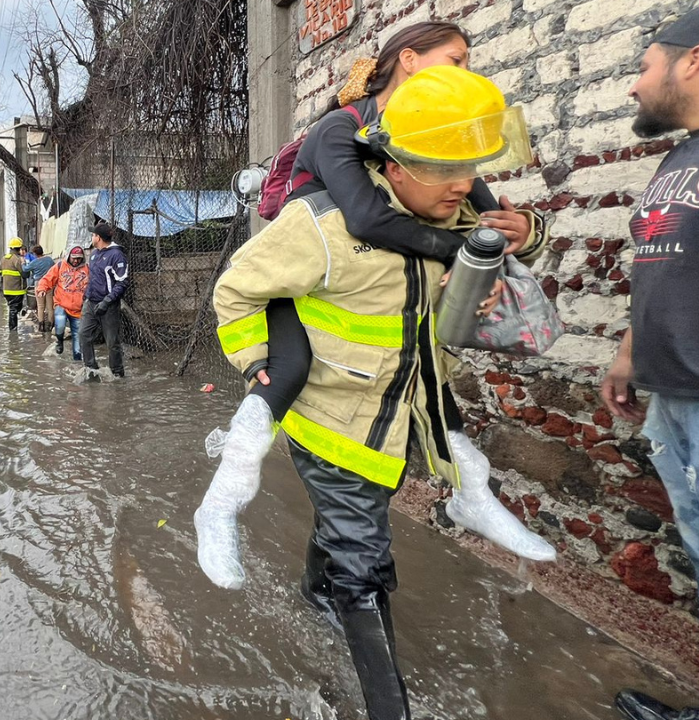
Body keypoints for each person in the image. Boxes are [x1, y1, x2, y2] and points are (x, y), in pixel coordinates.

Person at [200, 67, 546, 720]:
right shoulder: (322, 224)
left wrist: (527, 238)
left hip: (397, 419)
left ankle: (312, 592)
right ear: (392, 158)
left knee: (351, 524)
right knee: (365, 568)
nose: (460, 184)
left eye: (468, 168)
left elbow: (511, 250)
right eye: (441, 167)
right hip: (330, 422)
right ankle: (389, 705)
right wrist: (257, 367)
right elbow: (236, 289)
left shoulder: (454, 211)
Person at [203, 21, 555, 567]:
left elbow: (480, 219)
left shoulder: (436, 136)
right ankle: (223, 500)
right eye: (456, 60)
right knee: (286, 372)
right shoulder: (343, 128)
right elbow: (368, 219)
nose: (466, 70)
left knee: (431, 378)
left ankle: (471, 492)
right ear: (409, 60)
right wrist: (455, 253)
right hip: (296, 279)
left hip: (365, 285)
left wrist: (522, 233)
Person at [601, 4, 699, 719]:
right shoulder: (684, 154)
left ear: (694, 60)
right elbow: (667, 267)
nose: (632, 87)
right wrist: (629, 352)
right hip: (677, 400)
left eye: (643, 66)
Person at [80, 223, 129, 378]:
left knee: (112, 342)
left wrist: (107, 301)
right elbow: (93, 278)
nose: (92, 237)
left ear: (98, 237)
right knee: (83, 334)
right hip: (91, 302)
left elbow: (122, 282)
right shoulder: (94, 254)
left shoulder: (116, 255)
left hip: (108, 305)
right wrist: (86, 296)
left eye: (93, 235)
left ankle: (117, 374)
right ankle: (91, 369)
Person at [37, 246, 90, 359]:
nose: (76, 261)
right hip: (62, 304)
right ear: (69, 256)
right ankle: (59, 341)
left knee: (77, 344)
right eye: (74, 258)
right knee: (60, 324)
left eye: (79, 258)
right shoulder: (60, 266)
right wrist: (42, 289)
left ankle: (76, 366)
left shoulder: (87, 269)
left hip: (78, 309)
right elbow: (47, 279)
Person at [24, 245, 58, 333]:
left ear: (35, 254)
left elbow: (25, 269)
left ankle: (41, 326)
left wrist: (23, 262)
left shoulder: (34, 262)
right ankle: (51, 325)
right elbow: (55, 269)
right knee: (50, 306)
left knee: (40, 306)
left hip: (39, 283)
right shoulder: (49, 260)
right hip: (49, 283)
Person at [0, 237, 27, 331]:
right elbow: (24, 274)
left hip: (6, 290)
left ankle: (13, 330)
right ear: (18, 248)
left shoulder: (3, 259)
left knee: (13, 309)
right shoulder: (17, 259)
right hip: (16, 290)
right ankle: (13, 331)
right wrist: (24, 264)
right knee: (14, 310)